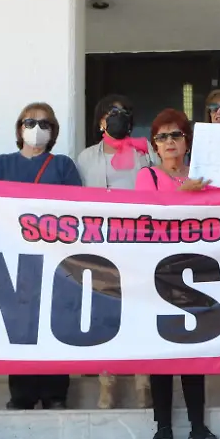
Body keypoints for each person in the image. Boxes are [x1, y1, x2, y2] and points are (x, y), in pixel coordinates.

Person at [137, 108, 220, 439]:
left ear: (187, 142)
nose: (169, 142)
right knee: (161, 354)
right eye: (162, 136)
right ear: (155, 145)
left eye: (176, 135)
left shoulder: (204, 173)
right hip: (159, 273)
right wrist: (183, 195)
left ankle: (198, 426)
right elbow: (147, 216)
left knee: (194, 351)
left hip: (198, 272)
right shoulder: (148, 177)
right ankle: (163, 427)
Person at [0, 102, 83, 410]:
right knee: (21, 324)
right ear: (19, 128)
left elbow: (77, 209)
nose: (36, 128)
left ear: (53, 131)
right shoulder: (2, 164)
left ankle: (56, 392)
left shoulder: (63, 166)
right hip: (16, 257)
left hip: (57, 258)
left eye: (44, 123)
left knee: (57, 321)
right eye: (29, 122)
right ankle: (23, 393)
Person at [75, 94, 153, 409]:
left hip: (140, 243)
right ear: (101, 121)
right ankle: (106, 381)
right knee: (106, 312)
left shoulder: (146, 154)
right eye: (111, 112)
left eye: (123, 112)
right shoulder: (85, 158)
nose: (116, 117)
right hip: (100, 244)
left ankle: (142, 379)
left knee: (140, 310)